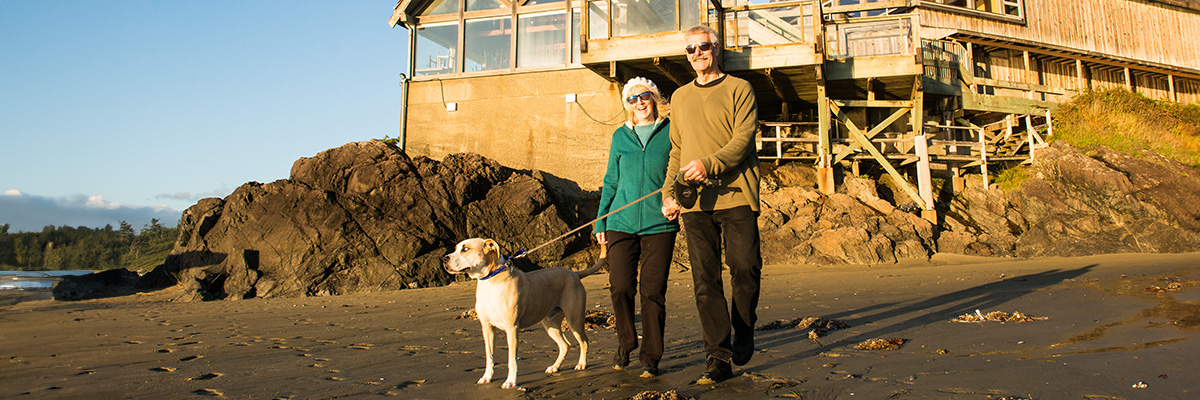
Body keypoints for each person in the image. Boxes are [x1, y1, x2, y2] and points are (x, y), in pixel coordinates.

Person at [660, 25, 763, 385]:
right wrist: (668, 194)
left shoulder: (740, 89)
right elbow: (677, 150)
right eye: (690, 49)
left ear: (716, 48)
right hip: (695, 204)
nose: (697, 53)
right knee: (705, 281)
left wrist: (708, 164)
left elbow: (743, 140)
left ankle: (744, 331)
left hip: (737, 195)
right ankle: (718, 357)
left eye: (703, 46)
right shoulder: (679, 97)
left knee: (745, 268)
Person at [595, 77, 680, 379]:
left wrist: (677, 199)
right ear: (627, 105)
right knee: (620, 288)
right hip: (621, 221)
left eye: (644, 96)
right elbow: (611, 181)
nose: (639, 102)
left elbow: (680, 170)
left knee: (653, 292)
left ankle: (651, 356)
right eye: (632, 99)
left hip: (660, 224)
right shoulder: (620, 136)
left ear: (654, 98)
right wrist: (601, 219)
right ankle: (626, 342)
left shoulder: (671, 130)